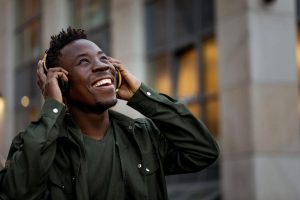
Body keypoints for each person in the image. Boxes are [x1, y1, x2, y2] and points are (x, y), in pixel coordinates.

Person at [0, 27, 219, 200]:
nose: (102, 66)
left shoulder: (144, 137)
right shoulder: (37, 148)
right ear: (61, 83)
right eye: (83, 62)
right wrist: (53, 107)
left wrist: (140, 95)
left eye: (103, 58)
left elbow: (203, 151)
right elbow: (19, 192)